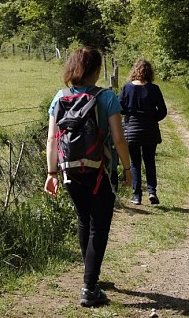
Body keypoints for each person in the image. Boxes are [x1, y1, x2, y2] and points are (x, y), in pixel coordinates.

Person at [44, 46, 132, 307]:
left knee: (84, 221)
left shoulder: (59, 97)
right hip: (100, 172)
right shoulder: (107, 97)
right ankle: (90, 287)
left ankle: (89, 275)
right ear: (96, 70)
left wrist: (51, 173)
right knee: (99, 226)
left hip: (70, 170)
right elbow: (118, 139)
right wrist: (128, 169)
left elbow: (51, 139)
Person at [119, 59, 167, 205]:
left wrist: (129, 114)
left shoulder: (127, 88)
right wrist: (153, 119)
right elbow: (163, 111)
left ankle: (137, 195)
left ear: (135, 71)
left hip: (132, 130)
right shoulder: (154, 89)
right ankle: (152, 191)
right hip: (149, 130)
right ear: (150, 73)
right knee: (150, 160)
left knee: (135, 162)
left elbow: (120, 108)